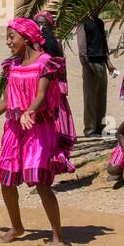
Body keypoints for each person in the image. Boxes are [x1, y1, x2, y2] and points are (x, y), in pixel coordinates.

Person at [0, 18, 73, 246]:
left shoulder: (45, 63)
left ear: (27, 37)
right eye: (7, 37)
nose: (8, 42)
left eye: (12, 37)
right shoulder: (13, 66)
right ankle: (16, 226)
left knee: (40, 182)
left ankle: (57, 236)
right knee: (6, 179)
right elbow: (9, 100)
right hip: (14, 127)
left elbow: (40, 94)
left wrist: (29, 111)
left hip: (37, 128)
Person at [34, 10, 77, 156]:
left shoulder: (34, 44)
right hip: (57, 88)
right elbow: (62, 67)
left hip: (39, 88)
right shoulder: (56, 42)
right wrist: (63, 85)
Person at [75, 12, 115, 135]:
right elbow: (82, 49)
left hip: (101, 63)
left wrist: (108, 62)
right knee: (90, 97)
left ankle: (100, 126)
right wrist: (87, 66)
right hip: (91, 64)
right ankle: (90, 128)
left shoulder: (99, 22)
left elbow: (104, 43)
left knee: (101, 97)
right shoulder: (83, 23)